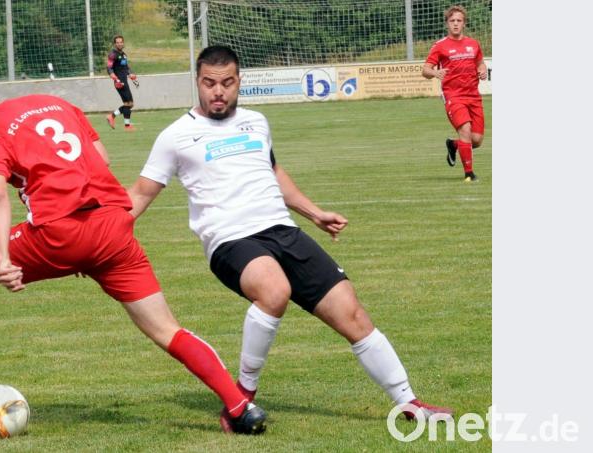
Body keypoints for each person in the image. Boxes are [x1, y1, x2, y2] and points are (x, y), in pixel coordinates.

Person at [0, 66, 267, 435]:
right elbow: (101, 157)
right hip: (114, 226)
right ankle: (241, 407)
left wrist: (4, 259)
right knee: (167, 329)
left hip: (59, 232)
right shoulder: (52, 103)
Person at [127, 46, 453, 432]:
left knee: (352, 313)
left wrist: (314, 213)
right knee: (274, 290)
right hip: (230, 239)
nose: (218, 91)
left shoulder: (256, 122)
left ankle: (409, 403)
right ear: (197, 82)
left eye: (227, 83)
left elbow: (274, 172)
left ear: (239, 82)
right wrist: (100, 238)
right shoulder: (175, 136)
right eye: (209, 83)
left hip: (282, 230)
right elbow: (140, 194)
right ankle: (241, 398)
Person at [422, 5, 488, 182]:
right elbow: (425, 70)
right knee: (465, 130)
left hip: (473, 96)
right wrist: (435, 72)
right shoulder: (440, 46)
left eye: (459, 20)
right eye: (452, 21)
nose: (456, 24)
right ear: (447, 24)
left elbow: (480, 63)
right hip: (453, 96)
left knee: (476, 140)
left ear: (464, 23)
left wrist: (482, 70)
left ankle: (453, 144)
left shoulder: (473, 44)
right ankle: (469, 174)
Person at [105, 35, 138, 131]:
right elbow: (109, 67)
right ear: (115, 44)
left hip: (124, 81)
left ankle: (113, 117)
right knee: (129, 104)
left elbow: (126, 67)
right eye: (117, 42)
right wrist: (113, 76)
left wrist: (131, 74)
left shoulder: (123, 55)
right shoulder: (113, 54)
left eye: (121, 42)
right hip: (119, 82)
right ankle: (125, 125)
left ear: (123, 43)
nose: (119, 44)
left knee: (129, 104)